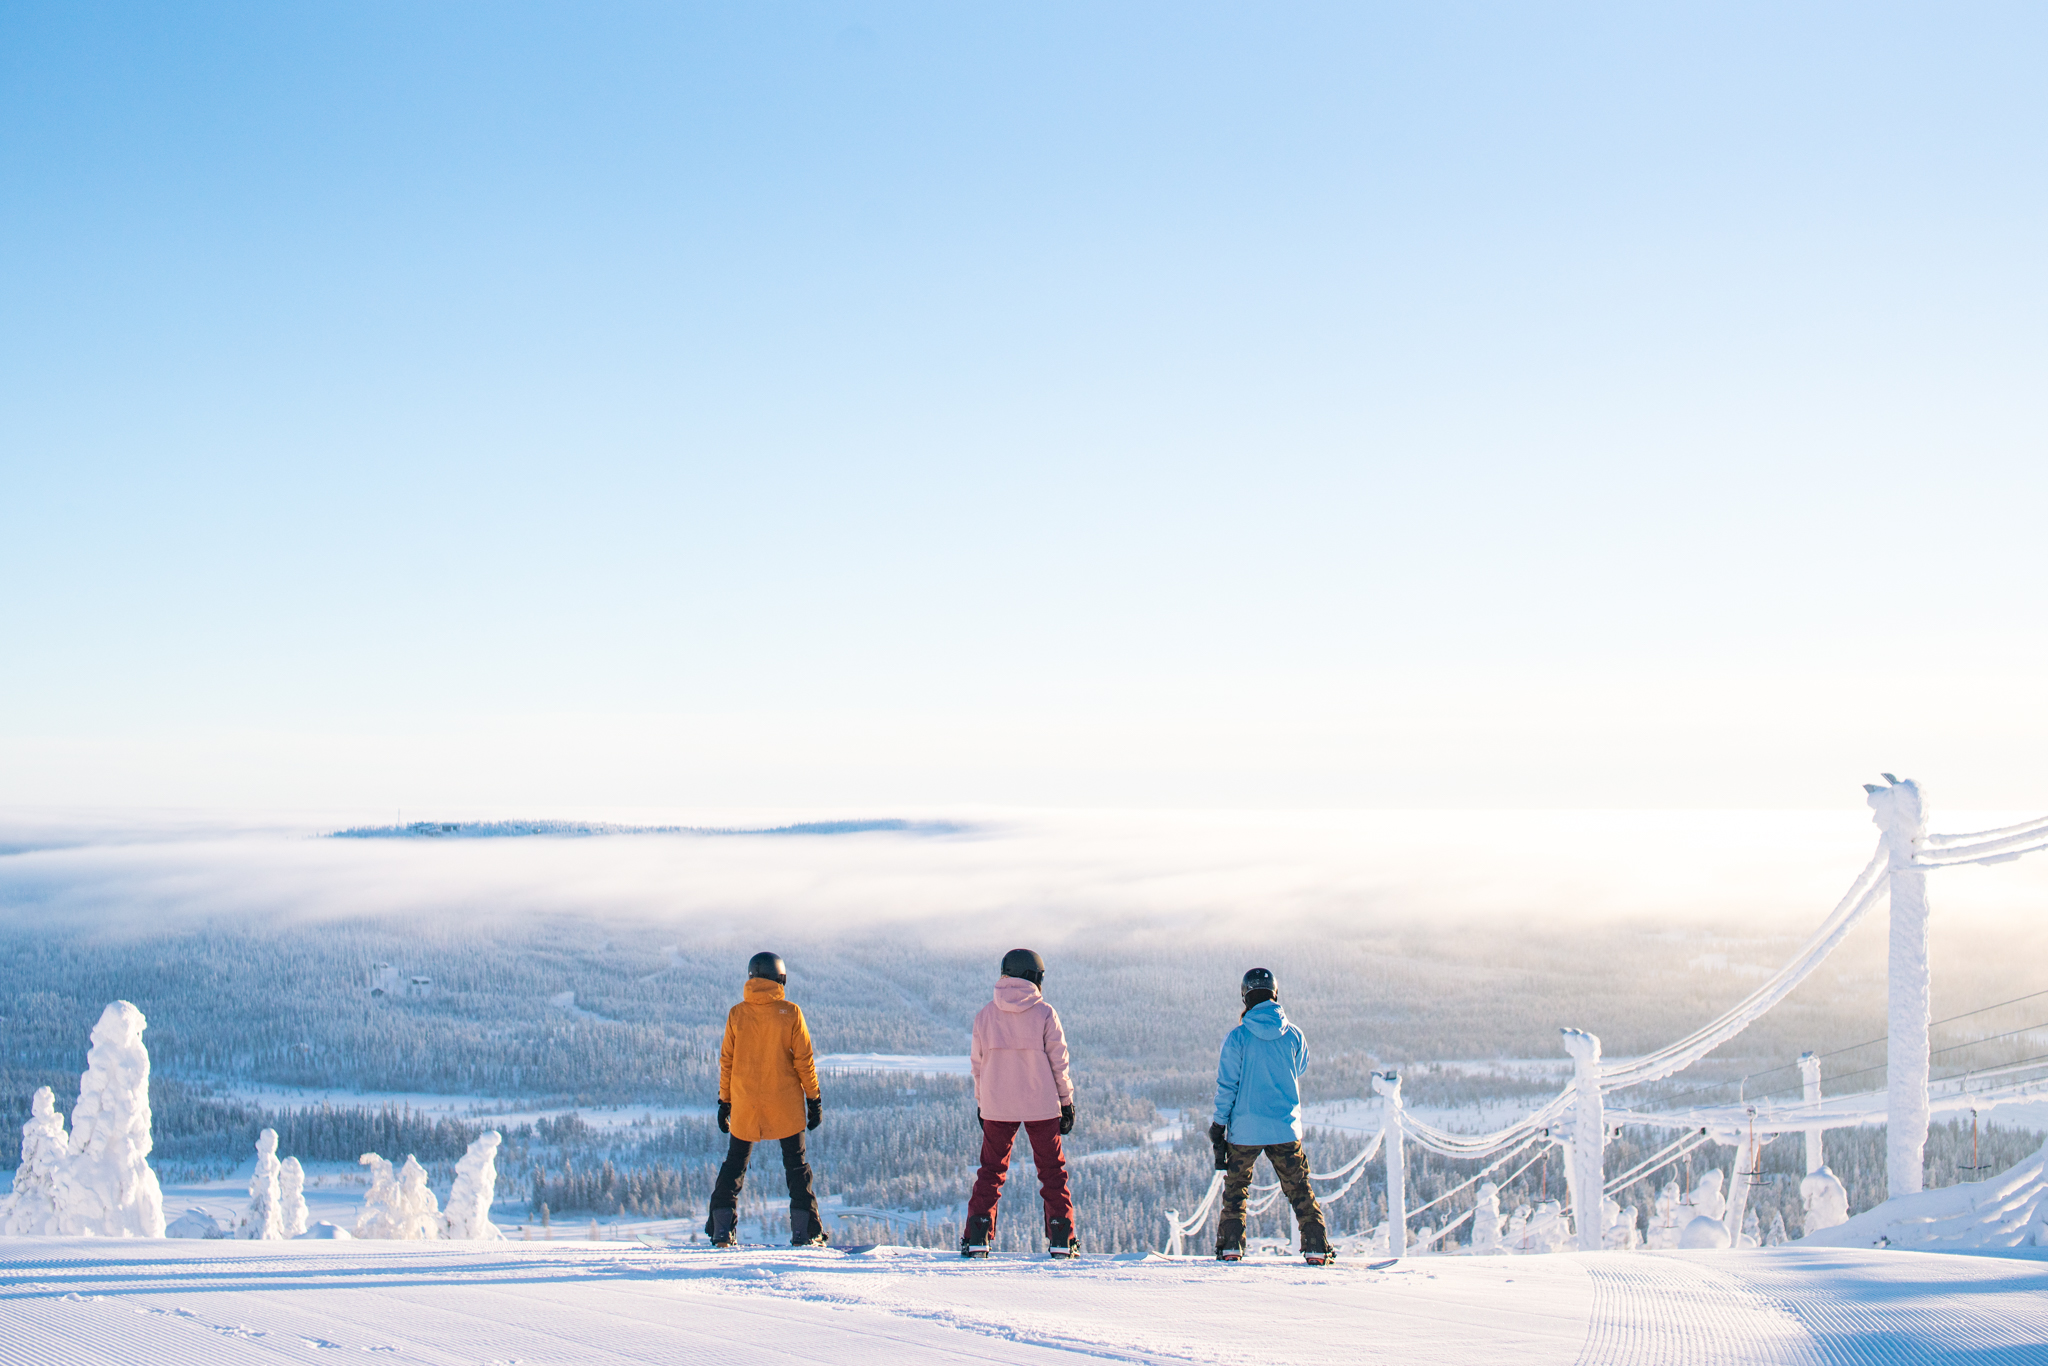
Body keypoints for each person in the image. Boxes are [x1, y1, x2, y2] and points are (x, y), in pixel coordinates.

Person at [1208, 967, 1332, 1264]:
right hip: (1284, 1128)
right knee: (1299, 1188)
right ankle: (1316, 1246)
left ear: (1245, 997)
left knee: (1236, 1191)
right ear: (1275, 994)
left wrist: (1218, 1125)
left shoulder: (1237, 1038)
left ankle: (1231, 1247)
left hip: (1245, 1129)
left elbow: (1227, 1086)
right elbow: (1299, 1067)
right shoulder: (1294, 1035)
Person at [704, 951, 827, 1248]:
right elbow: (804, 1062)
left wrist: (725, 1102)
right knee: (796, 1168)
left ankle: (722, 1231)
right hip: (785, 1104)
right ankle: (806, 1233)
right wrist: (814, 1099)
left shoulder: (737, 1013)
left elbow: (727, 1062)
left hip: (746, 1105)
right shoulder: (791, 1012)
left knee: (734, 1166)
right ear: (780, 978)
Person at [962, 948, 1078, 1257]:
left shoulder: (985, 1015)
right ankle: (1061, 1238)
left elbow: (978, 1065)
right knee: (1053, 1172)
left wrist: (982, 1103)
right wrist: (1066, 1103)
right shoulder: (1045, 1013)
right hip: (1041, 1105)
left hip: (997, 1105)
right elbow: (1059, 1064)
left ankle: (977, 1236)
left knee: (990, 1171)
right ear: (1033, 977)